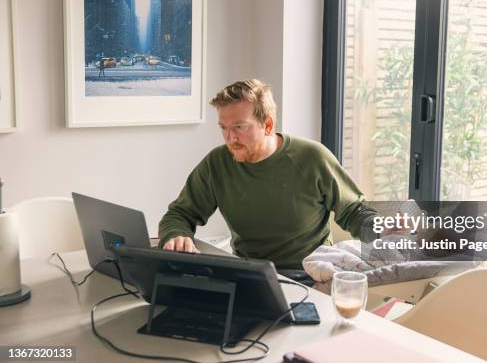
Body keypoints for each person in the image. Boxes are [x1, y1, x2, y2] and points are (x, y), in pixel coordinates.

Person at [158, 79, 378, 270]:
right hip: (251, 274)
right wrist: (177, 234)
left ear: (268, 125)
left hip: (311, 274)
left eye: (239, 127)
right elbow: (179, 214)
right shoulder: (217, 163)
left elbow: (354, 212)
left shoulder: (312, 158)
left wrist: (384, 229)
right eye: (223, 128)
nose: (230, 138)